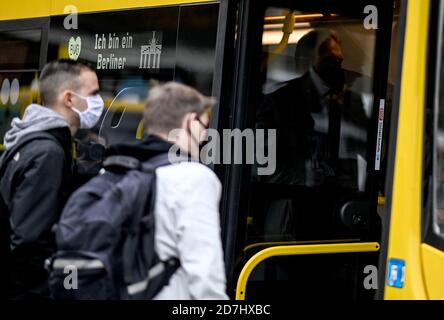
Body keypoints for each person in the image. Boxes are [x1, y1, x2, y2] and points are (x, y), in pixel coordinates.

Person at [105, 81, 228, 299]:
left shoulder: (113, 170)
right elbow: (205, 273)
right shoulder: (193, 177)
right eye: (205, 127)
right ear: (191, 121)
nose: (204, 138)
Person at [0, 59, 104, 299]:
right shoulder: (49, 153)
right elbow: (29, 242)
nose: (100, 102)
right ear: (69, 98)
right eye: (94, 93)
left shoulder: (29, 138)